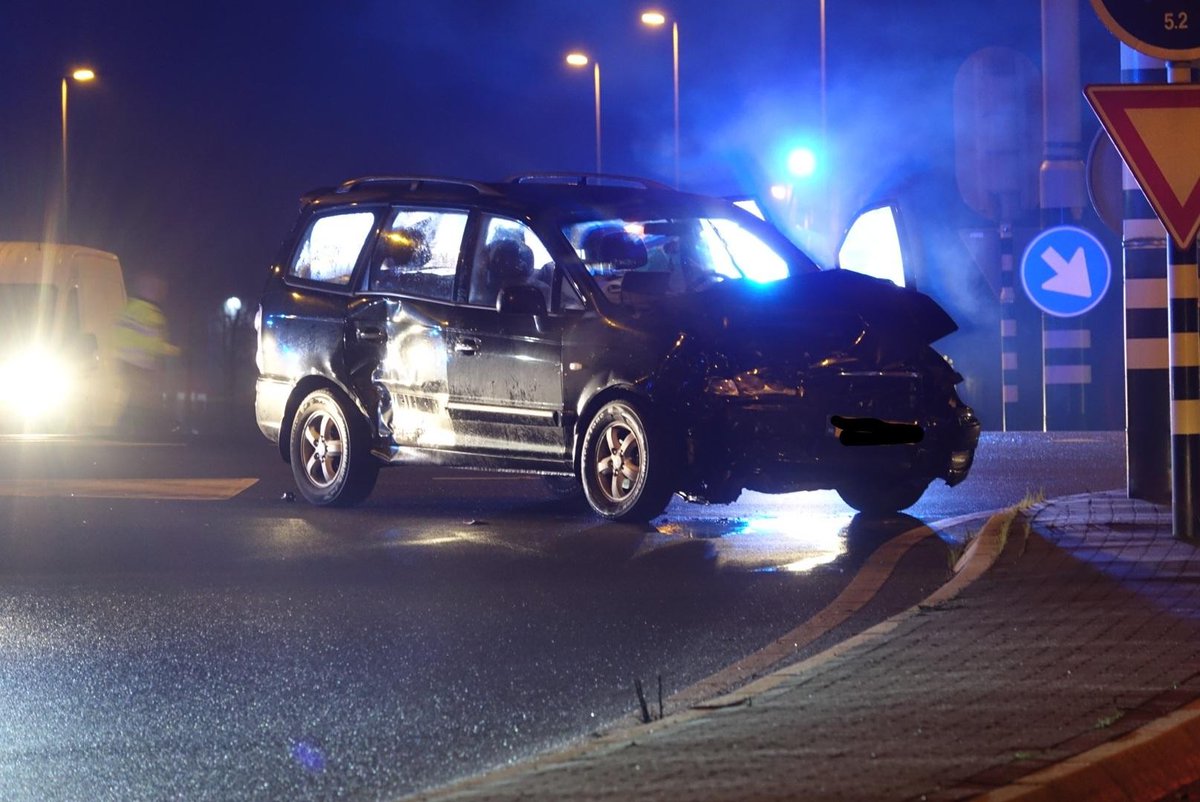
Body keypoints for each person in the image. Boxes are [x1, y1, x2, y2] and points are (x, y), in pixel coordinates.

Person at [113, 272, 181, 436]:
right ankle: (157, 426)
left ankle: (127, 428)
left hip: (124, 362)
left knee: (136, 397)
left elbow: (118, 333)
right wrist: (176, 350)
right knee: (143, 398)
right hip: (140, 363)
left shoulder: (130, 307)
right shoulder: (152, 314)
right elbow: (154, 344)